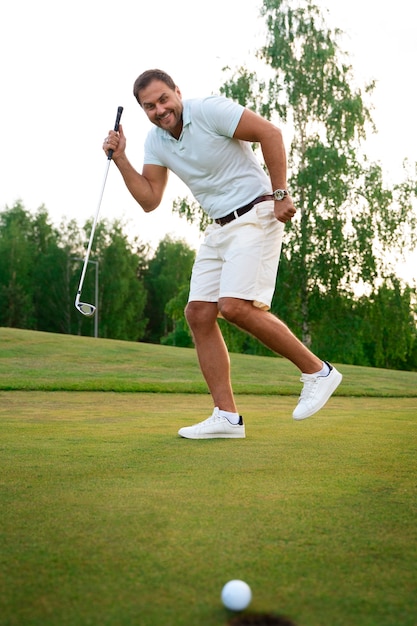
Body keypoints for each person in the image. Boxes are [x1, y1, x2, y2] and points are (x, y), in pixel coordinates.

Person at [103, 68, 342, 439]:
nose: (159, 110)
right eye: (149, 106)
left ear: (177, 92)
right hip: (219, 227)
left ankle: (318, 372)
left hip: (256, 214)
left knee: (234, 306)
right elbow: (150, 199)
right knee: (199, 313)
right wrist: (121, 158)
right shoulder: (156, 141)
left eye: (163, 99)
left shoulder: (209, 109)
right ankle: (227, 417)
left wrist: (281, 194)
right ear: (143, 110)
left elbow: (269, 133)